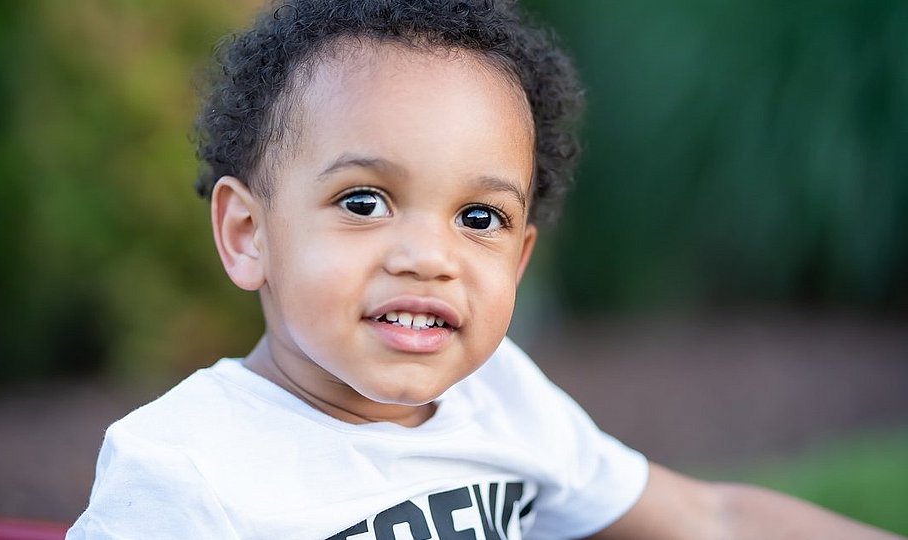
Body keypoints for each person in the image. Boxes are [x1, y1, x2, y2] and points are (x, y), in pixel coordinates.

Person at [68, 1, 904, 538]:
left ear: (521, 259)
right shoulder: (186, 472)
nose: (429, 256)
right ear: (249, 234)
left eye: (480, 219)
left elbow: (713, 518)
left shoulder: (502, 401)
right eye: (363, 201)